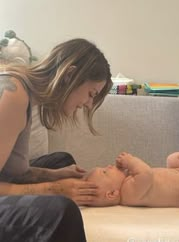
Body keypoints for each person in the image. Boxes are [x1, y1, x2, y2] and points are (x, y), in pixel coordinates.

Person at [0, 38, 112, 241]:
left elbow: (8, 171)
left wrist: (54, 175)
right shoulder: (12, 93)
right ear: (69, 75)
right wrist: (52, 189)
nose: (88, 104)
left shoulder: (26, 93)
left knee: (62, 161)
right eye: (90, 94)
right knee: (62, 211)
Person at [83, 144, 179, 210]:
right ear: (112, 194)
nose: (108, 166)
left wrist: (125, 169)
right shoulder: (128, 193)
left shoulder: (127, 181)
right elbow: (146, 174)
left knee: (172, 159)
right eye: (105, 172)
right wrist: (130, 161)